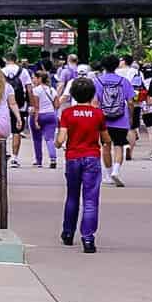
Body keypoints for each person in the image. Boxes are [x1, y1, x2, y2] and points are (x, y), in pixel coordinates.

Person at [55, 77, 109, 254]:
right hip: (92, 157)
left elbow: (61, 139)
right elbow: (105, 138)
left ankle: (68, 233)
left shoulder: (67, 113)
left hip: (73, 158)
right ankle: (88, 238)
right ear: (92, 94)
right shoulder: (98, 114)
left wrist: (58, 143)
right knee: (90, 200)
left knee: (72, 196)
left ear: (73, 95)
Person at [92, 55, 132, 186]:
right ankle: (116, 170)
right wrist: (130, 116)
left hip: (104, 120)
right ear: (117, 66)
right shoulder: (124, 81)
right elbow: (130, 101)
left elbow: (95, 103)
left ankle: (108, 175)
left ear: (103, 66)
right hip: (121, 119)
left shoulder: (97, 81)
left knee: (106, 146)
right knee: (119, 145)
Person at [29, 72, 60, 169]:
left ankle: (39, 161)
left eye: (34, 78)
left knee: (37, 139)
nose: (33, 80)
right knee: (49, 139)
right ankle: (53, 158)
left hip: (40, 115)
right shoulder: (52, 90)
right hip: (51, 115)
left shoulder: (36, 90)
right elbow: (57, 105)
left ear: (39, 79)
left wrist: (36, 120)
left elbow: (36, 106)